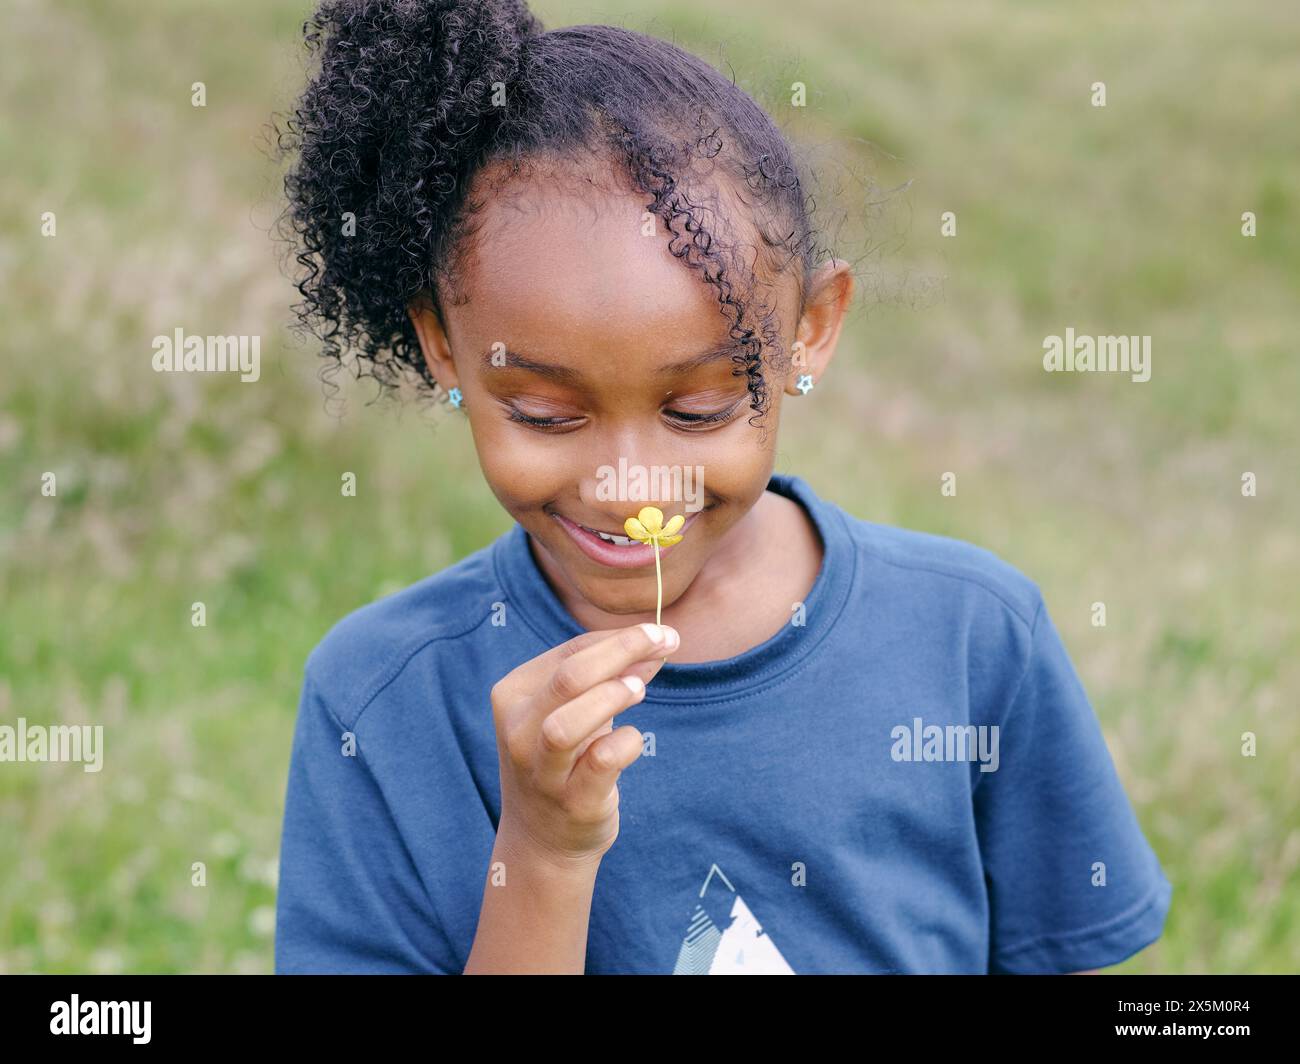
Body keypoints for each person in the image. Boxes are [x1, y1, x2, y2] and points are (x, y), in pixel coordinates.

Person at [272, 0, 1172, 974]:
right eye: (545, 413)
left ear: (810, 329)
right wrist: (539, 848)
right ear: (442, 343)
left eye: (697, 408)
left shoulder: (971, 637)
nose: (629, 484)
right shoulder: (380, 704)